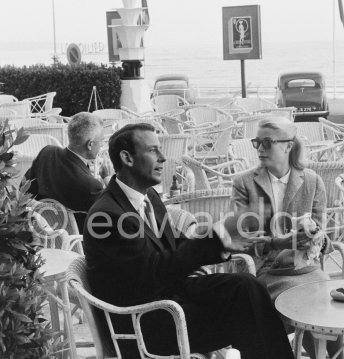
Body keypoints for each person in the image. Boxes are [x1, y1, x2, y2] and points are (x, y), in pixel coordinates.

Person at [83, 123, 294, 359]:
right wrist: (219, 237)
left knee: (247, 286)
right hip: (143, 323)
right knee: (247, 313)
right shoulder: (108, 216)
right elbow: (153, 271)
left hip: (166, 298)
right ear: (127, 158)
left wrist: (224, 242)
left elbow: (171, 246)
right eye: (153, 150)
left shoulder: (147, 196)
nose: (163, 158)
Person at [230, 117, 342, 359]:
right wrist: (281, 242)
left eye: (267, 142)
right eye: (257, 142)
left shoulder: (312, 180)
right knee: (308, 302)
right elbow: (242, 240)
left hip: (306, 268)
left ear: (288, 146)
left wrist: (314, 237)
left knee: (329, 302)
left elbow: (323, 239)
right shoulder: (244, 183)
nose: (259, 148)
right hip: (265, 270)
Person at [25, 112, 105, 232]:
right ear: (90, 144)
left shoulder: (46, 153)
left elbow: (26, 190)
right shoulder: (91, 186)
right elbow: (115, 215)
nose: (102, 144)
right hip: (79, 242)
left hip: (45, 232)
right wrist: (108, 178)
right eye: (101, 140)